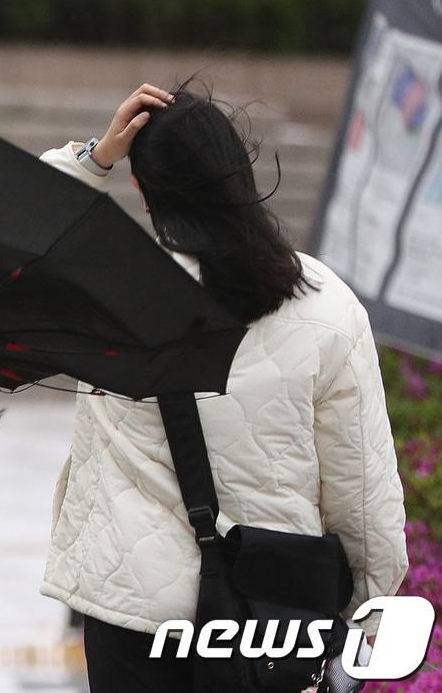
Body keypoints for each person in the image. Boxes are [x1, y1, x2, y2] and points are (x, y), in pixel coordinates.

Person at [39, 82, 408, 691]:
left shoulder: (109, 290)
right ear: (239, 173)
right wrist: (357, 628)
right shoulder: (326, 304)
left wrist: (93, 157)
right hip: (275, 619)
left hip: (131, 619)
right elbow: (363, 496)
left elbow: (14, 242)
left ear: (142, 187)